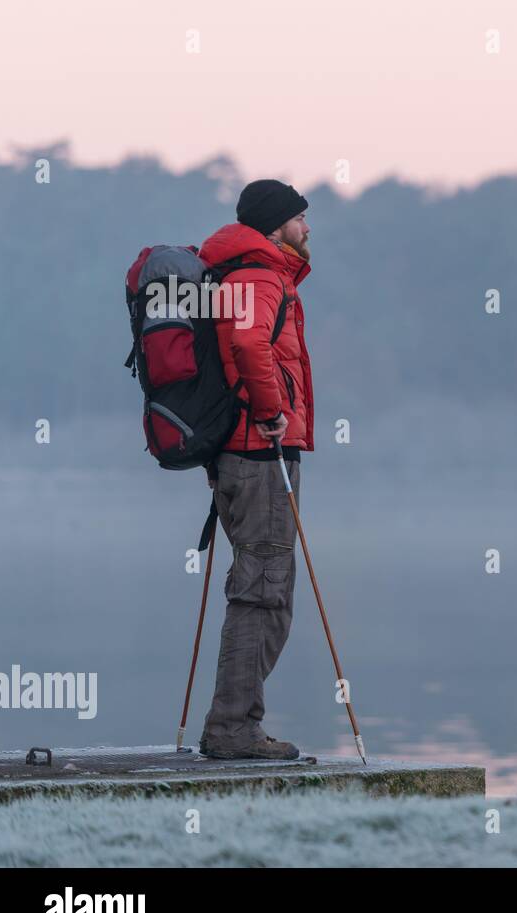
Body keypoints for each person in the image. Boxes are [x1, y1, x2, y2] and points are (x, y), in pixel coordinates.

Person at [196, 179, 314, 760]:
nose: (307, 228)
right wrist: (271, 413)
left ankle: (234, 723)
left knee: (263, 586)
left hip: (237, 450)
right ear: (274, 225)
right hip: (258, 450)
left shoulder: (232, 272)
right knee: (264, 589)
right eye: (299, 218)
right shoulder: (260, 275)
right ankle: (234, 728)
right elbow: (248, 344)